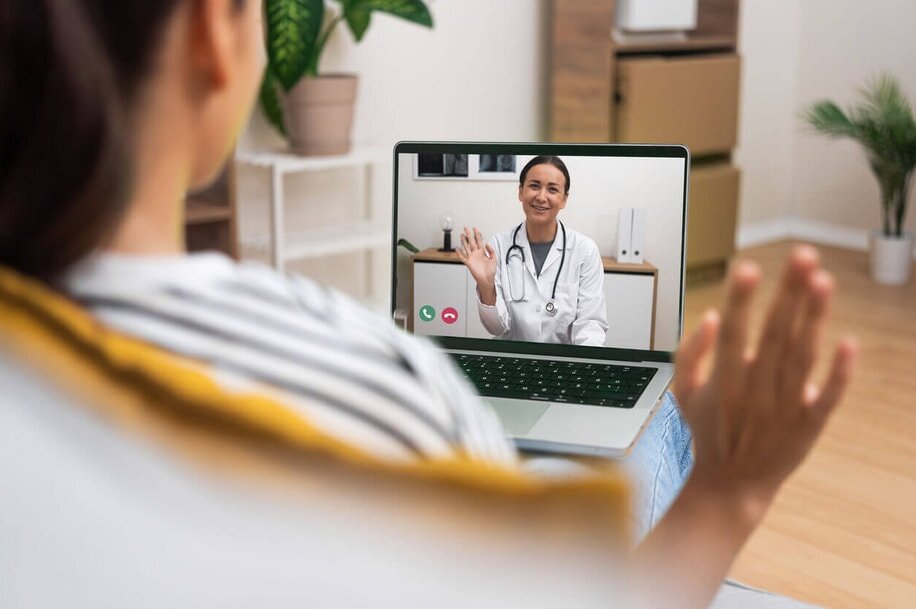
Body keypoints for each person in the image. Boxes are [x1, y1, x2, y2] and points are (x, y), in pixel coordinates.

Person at [0, 1, 857, 608]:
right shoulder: (382, 367)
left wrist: (526, 329)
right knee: (661, 415)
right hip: (497, 463)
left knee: (589, 428)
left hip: (567, 370)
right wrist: (732, 492)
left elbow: (592, 335)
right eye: (536, 186)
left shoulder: (587, 255)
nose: (545, 196)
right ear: (211, 34)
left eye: (557, 187)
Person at [456, 156, 609, 346]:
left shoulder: (584, 250)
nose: (542, 197)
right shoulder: (498, 246)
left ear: (564, 199)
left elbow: (590, 324)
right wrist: (487, 286)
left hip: (565, 365)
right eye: (534, 186)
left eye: (552, 189)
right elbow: (497, 328)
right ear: (520, 192)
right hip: (512, 361)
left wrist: (583, 367)